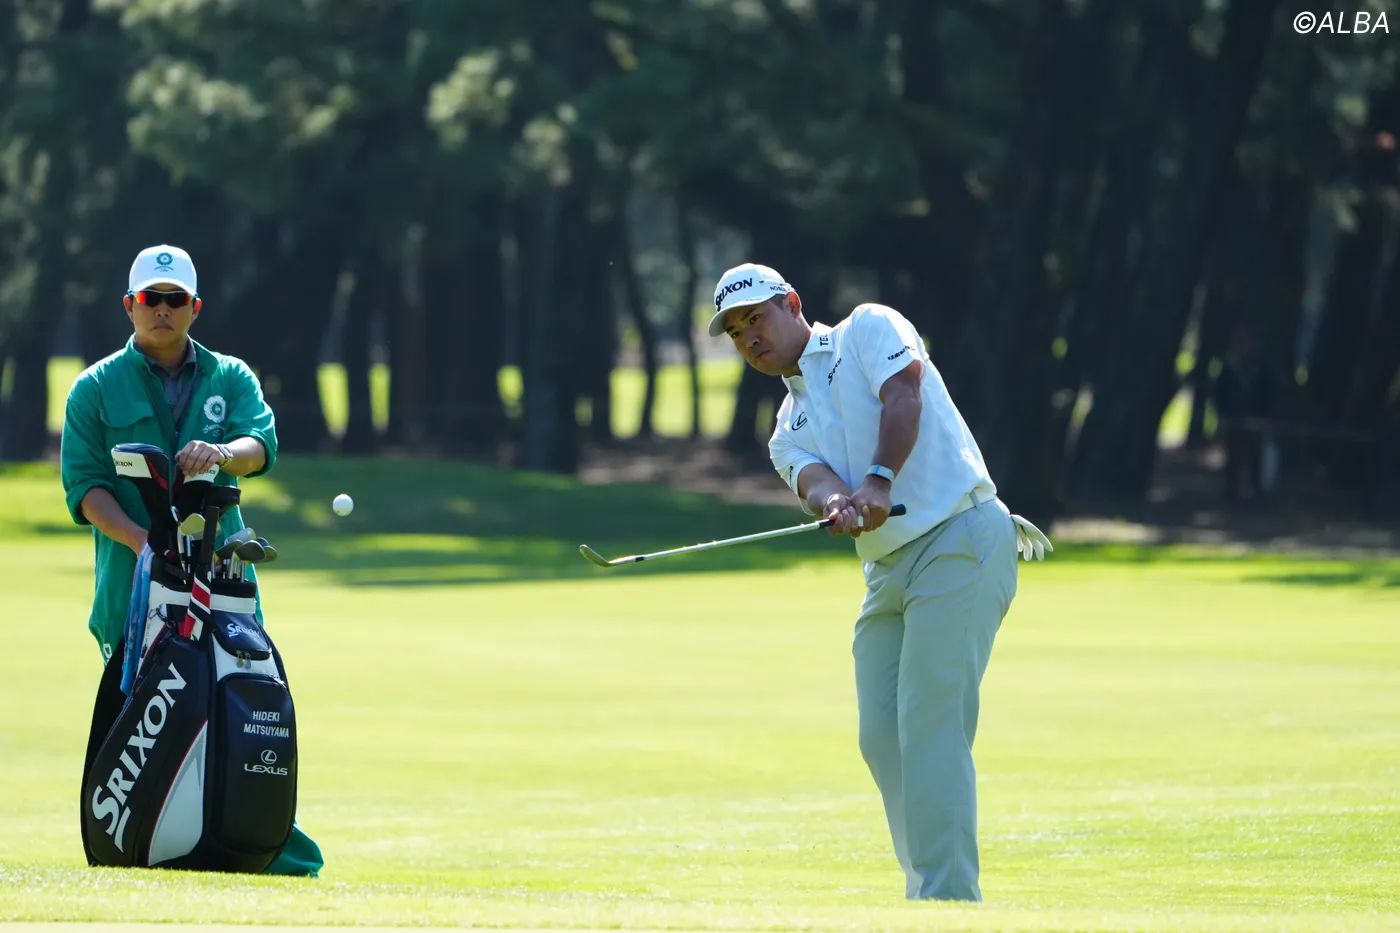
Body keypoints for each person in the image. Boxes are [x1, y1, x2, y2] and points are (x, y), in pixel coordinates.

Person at [708, 263, 1050, 902]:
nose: (749, 337)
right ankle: (926, 884)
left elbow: (904, 396)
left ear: (792, 304)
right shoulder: (786, 430)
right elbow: (814, 481)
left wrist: (877, 481)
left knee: (929, 722)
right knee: (881, 737)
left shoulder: (868, 328)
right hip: (888, 570)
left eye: (756, 317)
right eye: (734, 331)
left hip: (960, 535)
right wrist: (838, 501)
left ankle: (947, 897)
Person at [59, 244, 324, 877]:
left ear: (195, 308)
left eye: (175, 300)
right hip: (132, 587)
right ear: (130, 305)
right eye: (151, 299)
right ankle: (136, 839)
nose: (163, 310)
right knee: (143, 718)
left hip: (222, 583)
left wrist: (222, 453)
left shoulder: (230, 377)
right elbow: (85, 488)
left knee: (231, 705)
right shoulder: (94, 388)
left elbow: (261, 445)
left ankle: (248, 840)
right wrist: (141, 542)